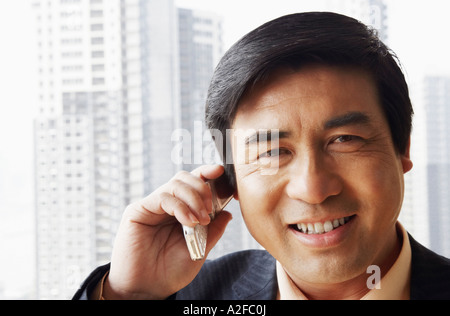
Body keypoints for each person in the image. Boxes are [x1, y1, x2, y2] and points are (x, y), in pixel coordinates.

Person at [73, 12, 450, 300]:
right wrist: (129, 295)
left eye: (344, 139)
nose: (313, 189)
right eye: (272, 152)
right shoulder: (191, 297)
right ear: (230, 181)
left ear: (402, 149)